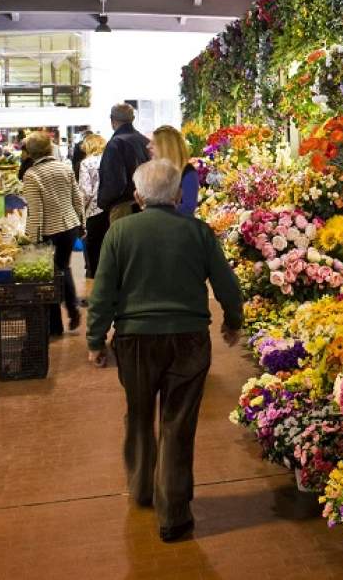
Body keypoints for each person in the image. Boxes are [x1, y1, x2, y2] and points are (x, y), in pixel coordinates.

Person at [86, 159, 242, 543]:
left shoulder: (119, 233)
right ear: (176, 195)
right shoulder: (199, 232)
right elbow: (227, 283)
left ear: (137, 197)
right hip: (189, 339)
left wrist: (95, 340)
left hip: (135, 339)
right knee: (177, 423)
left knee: (138, 414)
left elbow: (103, 292)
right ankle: (173, 513)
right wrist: (233, 321)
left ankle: (141, 488)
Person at [21, 131, 86, 335]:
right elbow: (78, 197)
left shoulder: (32, 175)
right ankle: (73, 309)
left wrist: (32, 239)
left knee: (46, 275)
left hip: (48, 229)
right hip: (69, 226)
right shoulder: (64, 168)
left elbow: (36, 210)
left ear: (30, 153)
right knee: (62, 267)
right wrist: (82, 223)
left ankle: (54, 325)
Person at [97, 103, 151, 224]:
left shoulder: (116, 143)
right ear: (132, 119)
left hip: (123, 207)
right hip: (146, 204)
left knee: (123, 241)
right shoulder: (145, 141)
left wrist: (104, 202)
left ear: (112, 120)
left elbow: (115, 182)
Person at [77, 132, 109, 280]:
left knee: (93, 248)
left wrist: (80, 210)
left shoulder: (86, 163)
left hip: (94, 211)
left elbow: (86, 191)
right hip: (111, 208)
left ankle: (94, 279)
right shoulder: (110, 160)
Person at [149, 125, 198, 216]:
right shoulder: (155, 170)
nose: (148, 146)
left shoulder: (187, 172)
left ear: (166, 147)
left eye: (153, 143)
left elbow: (188, 208)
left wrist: (158, 209)